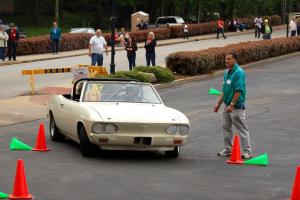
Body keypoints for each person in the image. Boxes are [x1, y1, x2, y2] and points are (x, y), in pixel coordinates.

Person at [214, 52, 252, 159]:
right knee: (226, 126)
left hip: (236, 106)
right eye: (226, 58)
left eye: (229, 59)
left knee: (241, 128)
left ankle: (247, 151)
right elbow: (224, 90)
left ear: (235, 60)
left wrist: (232, 104)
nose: (226, 61)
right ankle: (228, 149)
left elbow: (238, 90)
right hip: (227, 105)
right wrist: (218, 103)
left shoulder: (239, 72)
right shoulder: (227, 73)